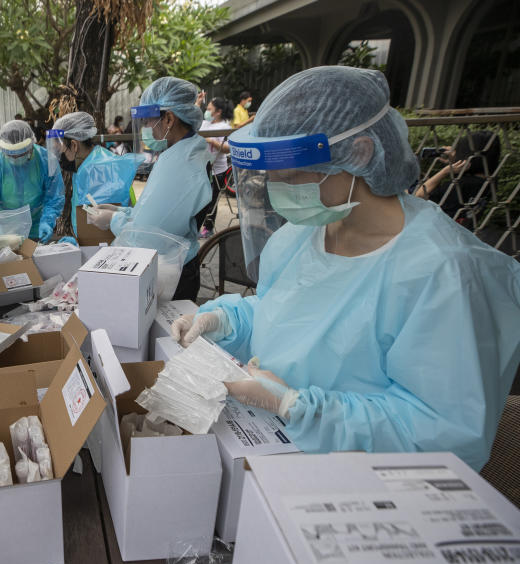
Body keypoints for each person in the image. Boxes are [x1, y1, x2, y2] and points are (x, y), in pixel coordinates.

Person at [171, 66, 520, 471]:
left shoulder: (444, 273)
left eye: (291, 171)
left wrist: (298, 406)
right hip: (273, 452)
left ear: (358, 153)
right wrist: (227, 321)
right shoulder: (303, 235)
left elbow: (444, 434)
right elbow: (281, 316)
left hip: (364, 489)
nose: (277, 185)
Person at [86, 76, 213, 301]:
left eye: (148, 121)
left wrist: (112, 221)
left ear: (169, 119)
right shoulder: (183, 150)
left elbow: (149, 235)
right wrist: (121, 212)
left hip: (172, 270)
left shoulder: (181, 164)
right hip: (173, 263)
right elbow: (157, 211)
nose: (146, 129)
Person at [0, 119, 65, 242]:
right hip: (4, 230)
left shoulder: (46, 160)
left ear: (31, 146)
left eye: (21, 155)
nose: (15, 159)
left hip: (37, 226)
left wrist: (47, 221)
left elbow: (54, 197)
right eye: (10, 155)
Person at [46, 111, 142, 234]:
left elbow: (97, 230)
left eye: (60, 152)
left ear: (74, 145)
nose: (59, 159)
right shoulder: (87, 164)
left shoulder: (97, 170)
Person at [414, 131, 500, 223]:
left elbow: (418, 197)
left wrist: (444, 171)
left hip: (439, 231)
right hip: (464, 229)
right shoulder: (491, 181)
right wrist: (455, 162)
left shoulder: (458, 186)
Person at [197, 97, 234, 238]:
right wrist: (198, 103)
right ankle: (197, 227)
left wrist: (211, 140)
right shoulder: (205, 123)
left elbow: (227, 149)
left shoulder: (224, 127)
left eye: (209, 109)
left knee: (212, 201)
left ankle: (208, 228)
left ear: (218, 112)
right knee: (199, 200)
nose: (206, 111)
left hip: (217, 170)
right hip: (202, 168)